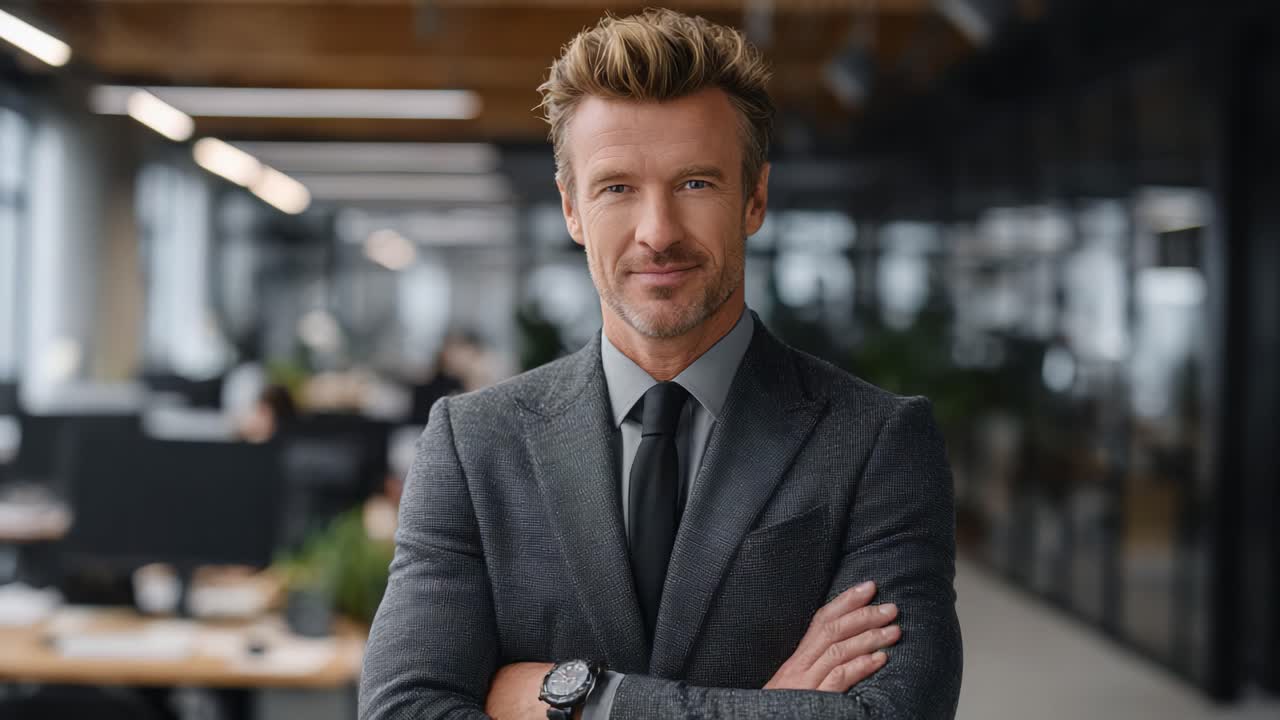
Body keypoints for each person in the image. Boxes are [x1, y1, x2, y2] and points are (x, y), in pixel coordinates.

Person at [360, 9, 962, 720]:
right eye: (617, 188)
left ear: (755, 198)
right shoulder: (473, 444)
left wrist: (585, 701)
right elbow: (404, 711)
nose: (657, 233)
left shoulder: (877, 443)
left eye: (696, 184)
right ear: (572, 209)